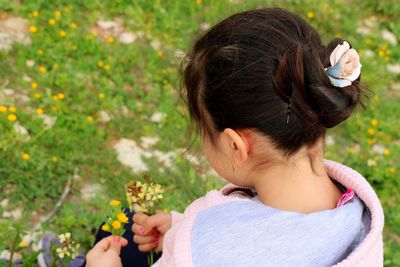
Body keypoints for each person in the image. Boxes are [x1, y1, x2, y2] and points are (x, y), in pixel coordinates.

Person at [86, 7, 384, 267]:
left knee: (115, 236)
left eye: (203, 129)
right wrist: (178, 230)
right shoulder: (358, 217)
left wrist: (188, 244)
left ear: (235, 145)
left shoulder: (203, 253)